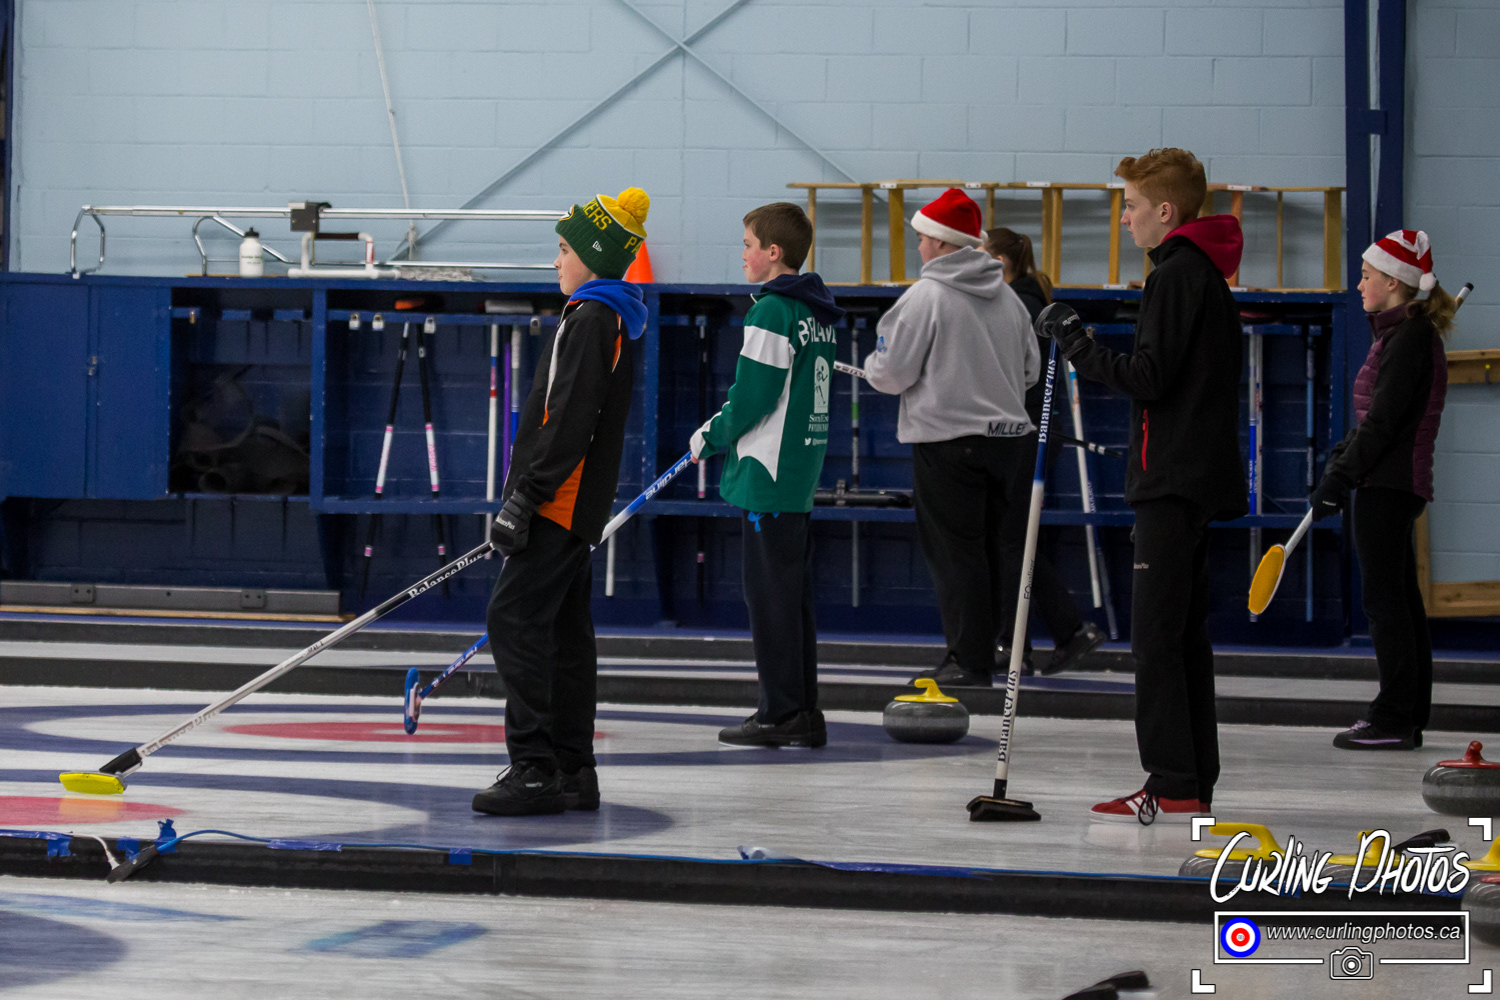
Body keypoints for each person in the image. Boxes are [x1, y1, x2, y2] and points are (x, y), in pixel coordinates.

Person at [1046, 148, 1246, 824]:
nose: (1124, 218)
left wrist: (1077, 344)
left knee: (1156, 640)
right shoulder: (1203, 275)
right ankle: (1190, 779)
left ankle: (1172, 781)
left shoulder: (1175, 276)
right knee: (1184, 638)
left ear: (1165, 210)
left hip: (1171, 481)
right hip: (1193, 480)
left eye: (1130, 206)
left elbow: (1150, 376)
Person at [473, 187, 650, 816]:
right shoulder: (603, 315)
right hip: (574, 505)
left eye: (564, 250)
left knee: (513, 620)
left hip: (559, 503)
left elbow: (569, 419)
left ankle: (534, 768)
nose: (555, 261)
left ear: (593, 257)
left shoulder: (593, 317)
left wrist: (525, 497)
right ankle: (574, 770)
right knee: (565, 636)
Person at [863, 188, 1039, 690]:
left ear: (941, 243)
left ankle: (967, 660)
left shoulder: (926, 296)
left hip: (946, 443)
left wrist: (877, 368)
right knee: (993, 550)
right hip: (1008, 444)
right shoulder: (1007, 296)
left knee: (956, 553)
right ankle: (992, 653)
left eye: (922, 238)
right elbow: (1030, 371)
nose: (919, 247)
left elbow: (892, 373)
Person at [692, 202, 844, 749]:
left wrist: (711, 435)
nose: (743, 254)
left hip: (768, 471)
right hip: (797, 472)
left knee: (771, 600)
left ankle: (780, 714)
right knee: (791, 598)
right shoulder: (815, 312)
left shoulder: (772, 312)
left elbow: (755, 396)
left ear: (773, 252)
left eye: (749, 245)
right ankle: (802, 711)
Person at [1310, 230, 1456, 751]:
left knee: (1386, 604)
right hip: (1389, 481)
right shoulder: (1401, 335)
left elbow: (1385, 423)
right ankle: (1407, 715)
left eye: (1367, 275)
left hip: (1388, 485)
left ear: (1394, 282)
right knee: (1401, 601)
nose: (1359, 284)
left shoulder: (1409, 338)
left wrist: (1339, 477)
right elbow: (1376, 418)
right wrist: (1342, 459)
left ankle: (1393, 719)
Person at [983, 227, 1105, 676]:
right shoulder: (1023, 300)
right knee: (1012, 538)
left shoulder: (1019, 305)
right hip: (1030, 430)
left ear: (1000, 262)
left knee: (1011, 540)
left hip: (1027, 432)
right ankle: (1037, 639)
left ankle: (1033, 639)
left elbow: (1018, 378)